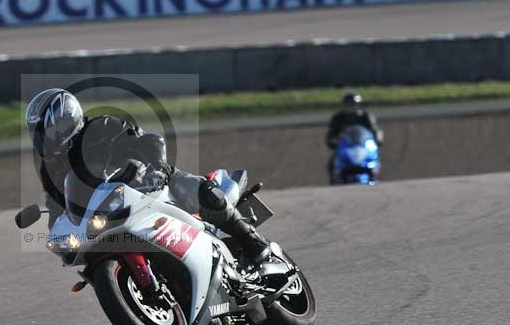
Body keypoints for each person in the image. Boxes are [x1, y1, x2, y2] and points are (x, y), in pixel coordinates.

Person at [25, 88, 269, 264]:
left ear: (66, 120)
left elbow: (148, 140)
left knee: (203, 193)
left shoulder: (100, 127)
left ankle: (252, 241)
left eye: (46, 130)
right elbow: (56, 204)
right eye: (37, 132)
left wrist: (158, 165)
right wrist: (58, 234)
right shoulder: (52, 167)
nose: (42, 138)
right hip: (109, 212)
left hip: (146, 182)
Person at [325, 92, 384, 183]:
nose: (351, 107)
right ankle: (333, 181)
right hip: (346, 147)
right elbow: (331, 134)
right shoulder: (338, 118)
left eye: (353, 104)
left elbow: (375, 130)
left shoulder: (366, 116)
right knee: (332, 162)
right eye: (348, 105)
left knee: (374, 159)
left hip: (363, 147)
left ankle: (375, 176)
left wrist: (378, 140)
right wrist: (333, 142)